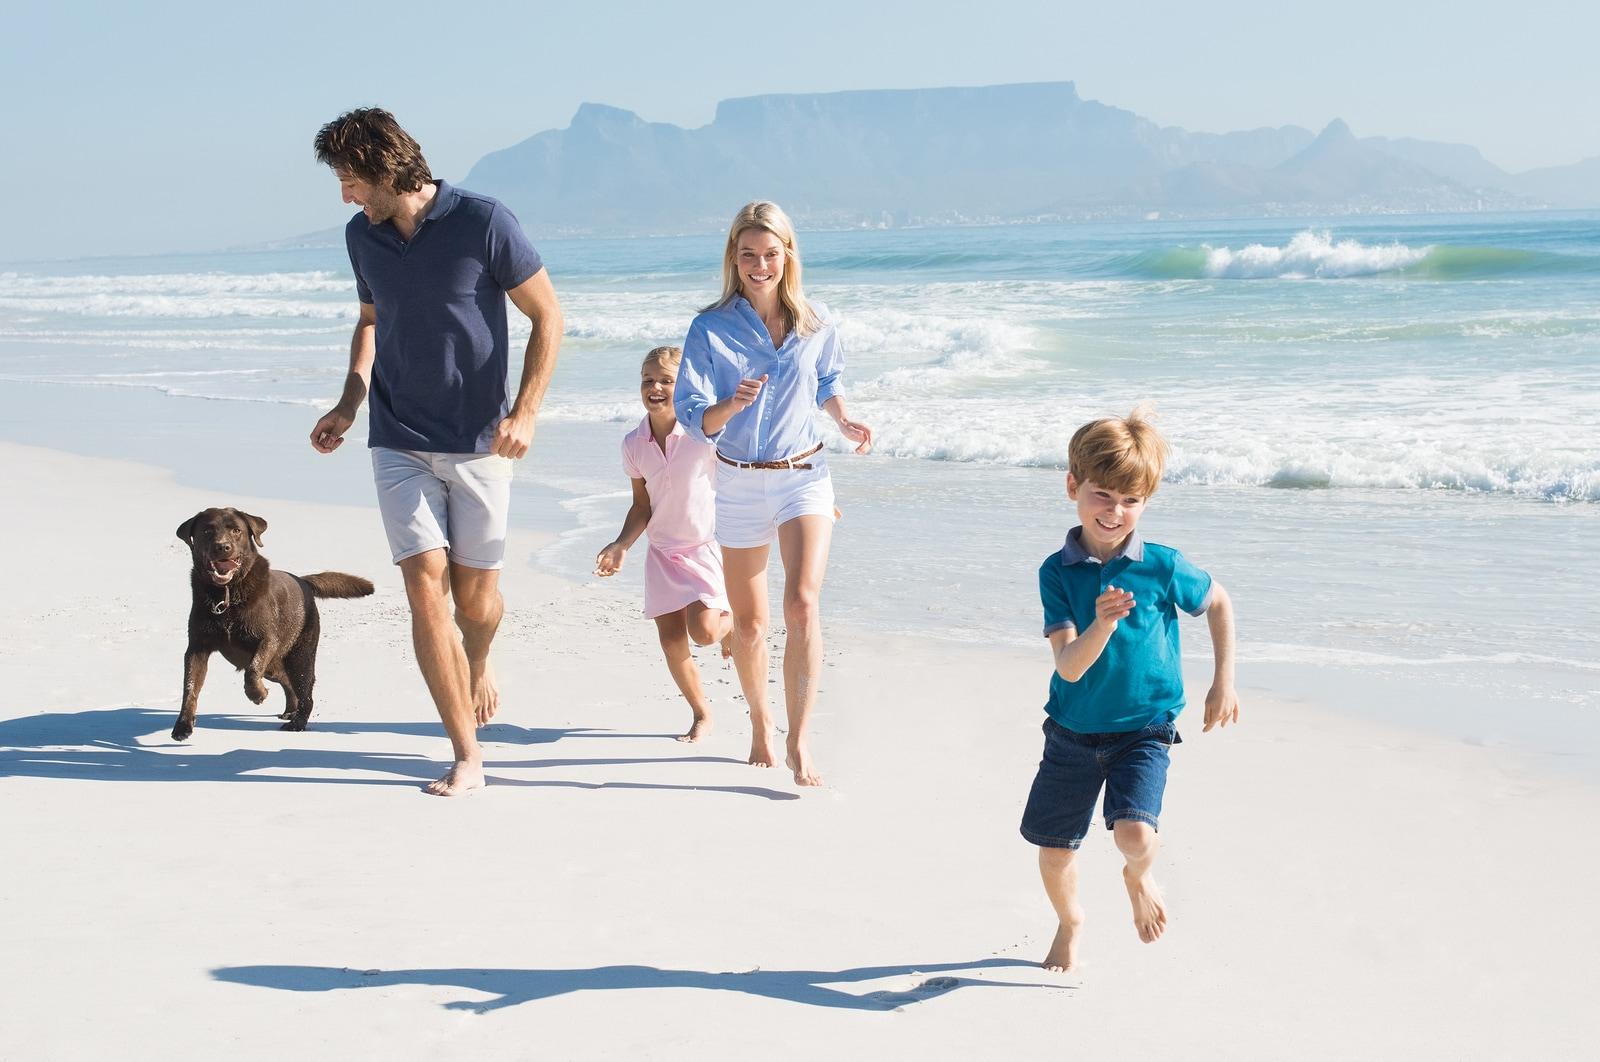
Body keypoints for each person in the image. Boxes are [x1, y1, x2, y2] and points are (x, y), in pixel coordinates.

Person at [308, 108, 564, 797]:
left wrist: (526, 412)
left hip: (479, 441)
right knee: (425, 589)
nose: (346, 196)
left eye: (351, 179)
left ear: (385, 169)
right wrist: (350, 401)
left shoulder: (484, 221)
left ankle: (478, 658)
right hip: (397, 439)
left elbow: (548, 315)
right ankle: (466, 754)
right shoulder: (361, 237)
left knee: (475, 603)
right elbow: (370, 321)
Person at [1020, 408, 1239, 972]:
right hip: (1071, 731)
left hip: (1144, 727)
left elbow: (1218, 601)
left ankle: (1138, 878)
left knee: (1136, 836)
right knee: (1053, 850)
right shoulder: (1056, 572)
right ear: (1073, 486)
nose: (1114, 511)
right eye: (1102, 495)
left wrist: (1223, 681)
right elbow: (1069, 668)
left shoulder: (1162, 565)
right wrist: (1102, 624)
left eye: (1130, 500)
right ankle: (1070, 922)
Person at [674, 201, 872, 787]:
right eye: (748, 255)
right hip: (737, 481)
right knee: (751, 626)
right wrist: (731, 404)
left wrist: (843, 418)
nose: (760, 266)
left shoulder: (817, 320)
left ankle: (799, 738)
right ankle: (761, 721)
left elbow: (828, 380)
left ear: (788, 255)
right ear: (733, 258)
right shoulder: (710, 328)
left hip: (804, 474)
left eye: (770, 254)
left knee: (802, 603)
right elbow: (691, 414)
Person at [594, 346, 733, 742]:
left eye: (666, 381)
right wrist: (621, 544)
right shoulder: (633, 443)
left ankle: (735, 623)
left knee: (704, 632)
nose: (655, 387)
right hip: (662, 553)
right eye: (648, 380)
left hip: (703, 546)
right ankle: (701, 714)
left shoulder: (703, 434)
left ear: (684, 385)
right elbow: (642, 506)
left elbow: (745, 472)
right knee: (672, 642)